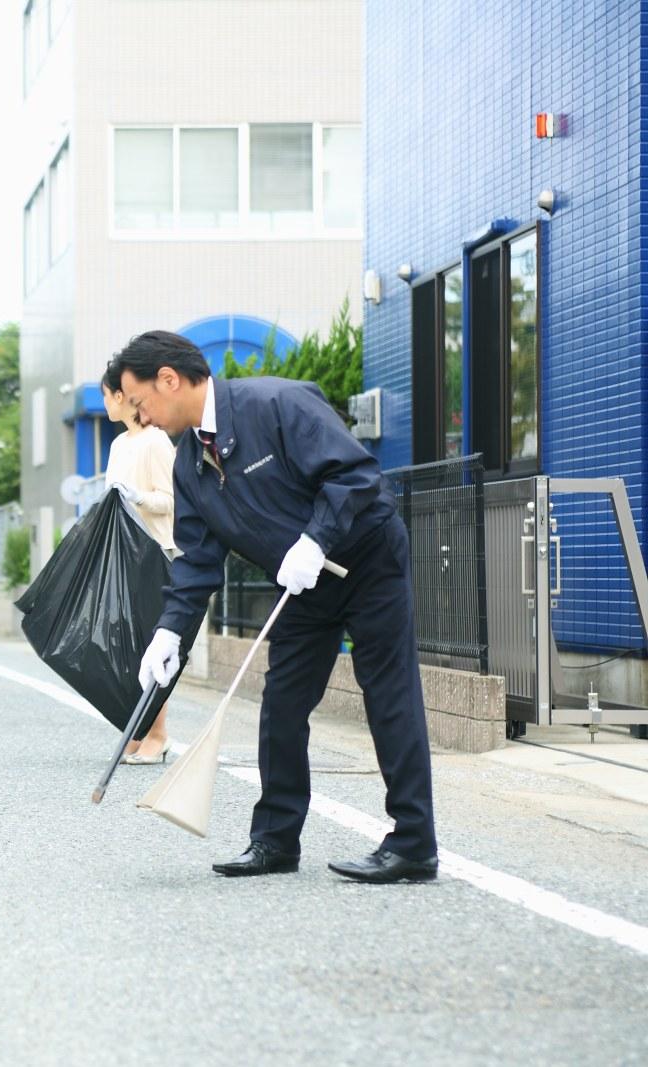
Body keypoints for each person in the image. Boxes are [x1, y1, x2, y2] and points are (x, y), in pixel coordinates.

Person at [113, 330, 438, 884]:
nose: (142, 417)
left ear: (168, 379)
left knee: (388, 695)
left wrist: (316, 539)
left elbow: (355, 474)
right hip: (300, 587)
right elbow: (196, 560)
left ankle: (413, 844)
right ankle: (274, 841)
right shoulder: (189, 463)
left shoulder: (276, 403)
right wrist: (169, 633)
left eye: (140, 403)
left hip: (366, 559)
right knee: (282, 704)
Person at [100, 371, 177, 764]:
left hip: (154, 553)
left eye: (107, 397)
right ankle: (138, 729)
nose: (104, 405)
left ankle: (158, 734)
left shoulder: (156, 441)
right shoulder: (118, 444)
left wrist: (137, 497)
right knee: (128, 648)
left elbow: (170, 500)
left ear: (121, 395)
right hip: (123, 553)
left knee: (152, 646)